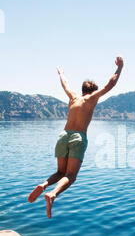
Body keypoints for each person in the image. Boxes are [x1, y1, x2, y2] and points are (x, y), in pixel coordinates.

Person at [28, 56, 124, 218]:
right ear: (93, 91)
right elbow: (110, 84)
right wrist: (120, 68)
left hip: (63, 135)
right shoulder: (92, 98)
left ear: (82, 89)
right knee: (70, 176)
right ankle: (53, 194)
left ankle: (44, 184)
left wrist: (61, 73)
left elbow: (64, 83)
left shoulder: (73, 97)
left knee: (60, 172)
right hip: (78, 138)